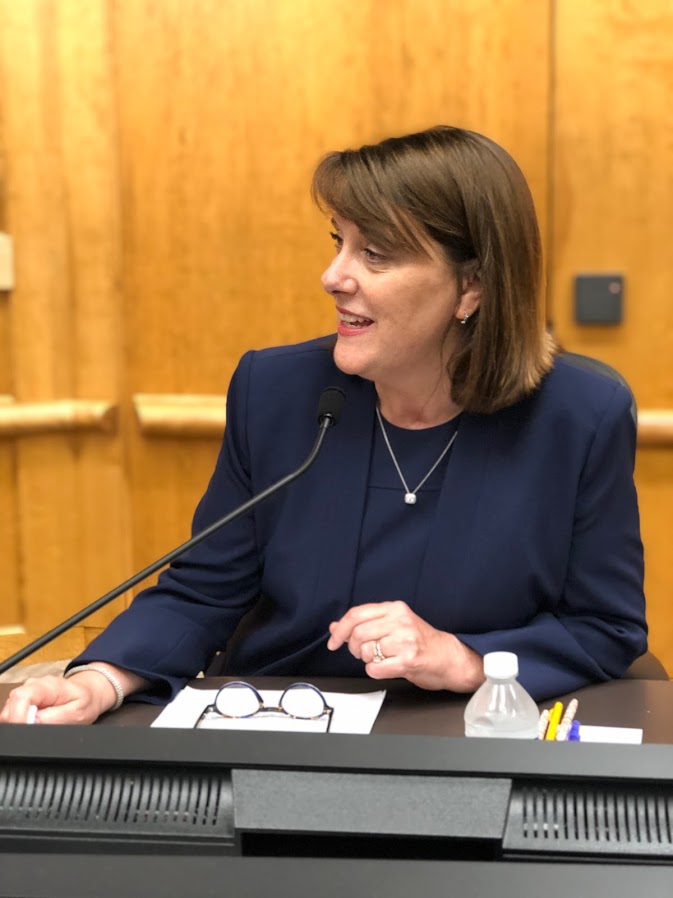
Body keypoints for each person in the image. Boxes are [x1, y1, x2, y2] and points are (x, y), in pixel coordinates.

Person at [0, 125, 647, 725]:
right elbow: (202, 591)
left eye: (376, 254)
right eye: (338, 242)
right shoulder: (277, 390)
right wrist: (101, 679)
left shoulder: (577, 414)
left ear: (471, 287)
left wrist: (463, 659)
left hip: (463, 735)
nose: (333, 277)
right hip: (280, 727)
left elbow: (604, 627)